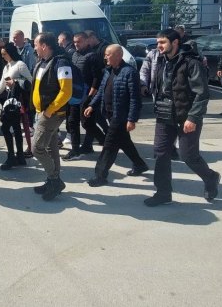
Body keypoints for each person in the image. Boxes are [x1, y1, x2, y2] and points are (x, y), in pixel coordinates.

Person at [145, 28, 220, 207]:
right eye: (157, 43)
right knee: (161, 153)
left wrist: (193, 118)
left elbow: (201, 93)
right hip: (164, 114)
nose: (159, 46)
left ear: (175, 43)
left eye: (162, 42)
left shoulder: (191, 63)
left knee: (188, 156)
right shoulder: (162, 61)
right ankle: (163, 193)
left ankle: (211, 177)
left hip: (186, 116)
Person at [84, 45, 148, 187]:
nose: (105, 57)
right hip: (110, 114)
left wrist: (131, 119)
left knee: (109, 145)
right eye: (105, 54)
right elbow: (101, 91)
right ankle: (140, 164)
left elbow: (134, 98)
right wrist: (91, 105)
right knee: (124, 141)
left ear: (118, 55)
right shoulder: (108, 71)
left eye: (108, 54)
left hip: (121, 116)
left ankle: (100, 175)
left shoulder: (129, 72)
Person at [30, 32, 71, 201]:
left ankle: (55, 180)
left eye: (36, 45)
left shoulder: (61, 62)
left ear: (44, 46)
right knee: (51, 148)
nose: (34, 48)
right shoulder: (42, 62)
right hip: (43, 112)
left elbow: (66, 91)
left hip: (51, 114)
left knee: (36, 148)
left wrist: (49, 110)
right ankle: (52, 181)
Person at [0, 42, 33, 170]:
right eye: (2, 54)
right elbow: (1, 85)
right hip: (10, 101)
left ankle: (12, 157)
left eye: (4, 54)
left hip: (18, 102)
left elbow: (31, 82)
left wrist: (16, 82)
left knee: (6, 128)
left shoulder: (20, 65)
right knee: (16, 129)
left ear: (10, 52)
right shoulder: (7, 67)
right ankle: (20, 157)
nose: (3, 56)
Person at [64, 31, 105, 160]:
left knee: (86, 122)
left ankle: (104, 140)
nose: (76, 44)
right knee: (72, 122)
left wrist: (90, 97)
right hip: (75, 93)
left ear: (87, 41)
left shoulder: (92, 56)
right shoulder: (74, 54)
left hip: (87, 94)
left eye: (79, 42)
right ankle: (78, 148)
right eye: (75, 42)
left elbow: (97, 78)